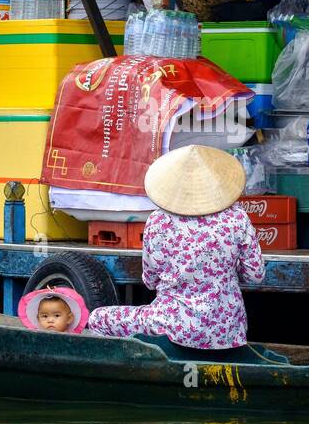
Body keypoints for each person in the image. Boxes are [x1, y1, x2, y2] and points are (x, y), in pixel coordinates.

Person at [88, 145, 266, 350]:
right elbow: (255, 276)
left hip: (172, 326)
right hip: (228, 332)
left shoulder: (157, 221)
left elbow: (151, 281)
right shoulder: (236, 217)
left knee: (97, 318)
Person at [17, 287, 89, 333]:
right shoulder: (36, 335)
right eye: (45, 316)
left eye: (57, 315)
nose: (50, 320)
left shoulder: (72, 337)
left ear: (69, 318)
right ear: (38, 319)